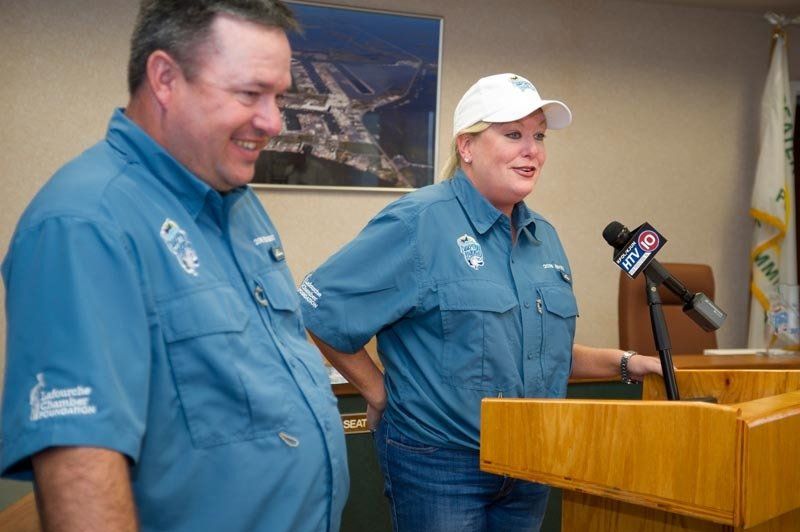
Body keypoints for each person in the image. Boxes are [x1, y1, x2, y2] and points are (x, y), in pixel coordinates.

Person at [1, 1, 348, 531]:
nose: (274, 122)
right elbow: (81, 474)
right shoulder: (85, 223)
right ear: (164, 77)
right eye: (249, 93)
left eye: (279, 97)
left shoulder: (235, 200)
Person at [299, 73, 663, 531]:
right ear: (466, 147)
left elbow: (531, 352)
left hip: (531, 463)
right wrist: (378, 391)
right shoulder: (419, 222)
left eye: (539, 137)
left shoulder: (542, 237)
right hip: (442, 465)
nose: (532, 150)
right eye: (513, 134)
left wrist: (627, 363)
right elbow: (320, 308)